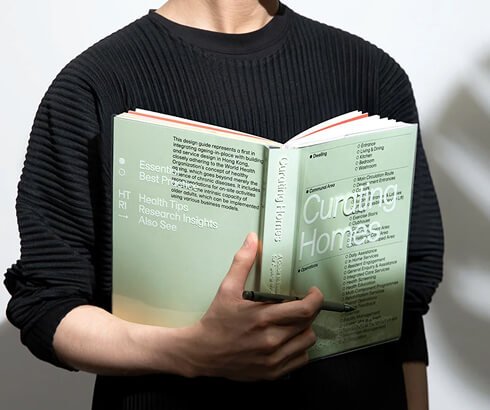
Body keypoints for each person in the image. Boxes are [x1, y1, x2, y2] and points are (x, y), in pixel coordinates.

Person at [4, 0, 444, 409]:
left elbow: (401, 308)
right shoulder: (94, 84)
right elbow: (48, 307)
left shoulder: (370, 73)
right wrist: (188, 352)